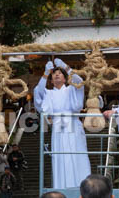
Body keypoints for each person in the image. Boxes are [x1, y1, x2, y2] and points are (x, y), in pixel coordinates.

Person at [34, 59, 92, 189]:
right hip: (58, 127)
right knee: (61, 157)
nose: (57, 75)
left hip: (73, 124)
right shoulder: (49, 93)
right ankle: (62, 187)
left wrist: (66, 67)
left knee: (78, 154)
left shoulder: (71, 89)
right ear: (51, 80)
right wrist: (45, 73)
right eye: (54, 74)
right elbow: (38, 92)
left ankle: (82, 185)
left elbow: (79, 81)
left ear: (65, 79)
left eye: (60, 73)